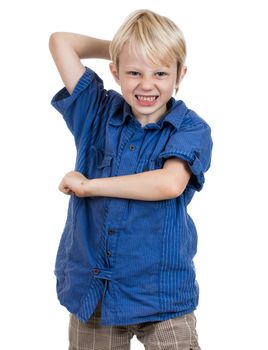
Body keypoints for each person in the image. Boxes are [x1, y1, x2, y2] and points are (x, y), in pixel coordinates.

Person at [49, 9, 212, 350]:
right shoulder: (96, 112)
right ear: (116, 71)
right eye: (134, 72)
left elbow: (169, 183)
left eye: (161, 71)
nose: (147, 84)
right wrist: (128, 47)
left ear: (180, 74)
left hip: (163, 292)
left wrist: (89, 186)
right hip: (96, 291)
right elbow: (61, 43)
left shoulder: (190, 128)